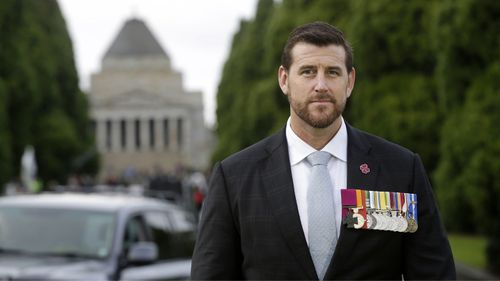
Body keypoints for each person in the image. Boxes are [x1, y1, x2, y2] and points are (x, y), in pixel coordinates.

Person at [191, 22, 456, 280]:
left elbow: (433, 273)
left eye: (332, 72)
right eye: (307, 72)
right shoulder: (235, 177)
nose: (321, 85)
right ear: (284, 80)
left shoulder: (400, 169)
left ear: (349, 81)